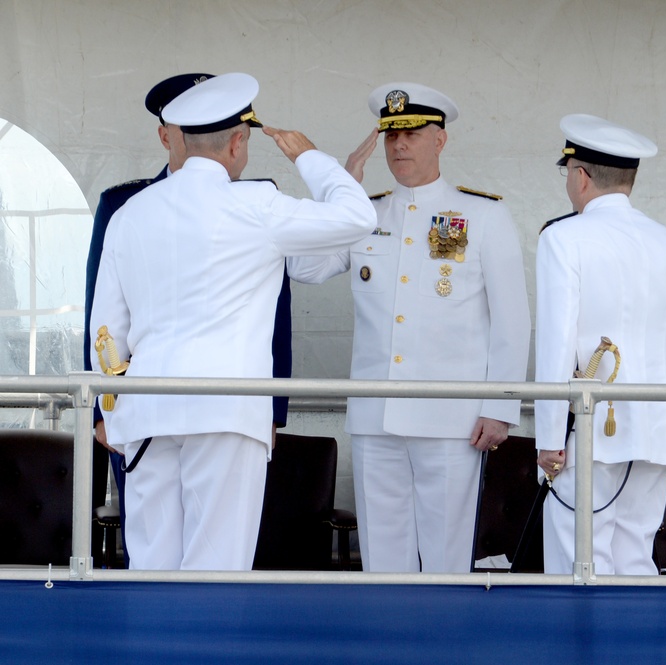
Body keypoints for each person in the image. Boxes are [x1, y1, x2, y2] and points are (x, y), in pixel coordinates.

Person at [90, 72, 377, 570]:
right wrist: (312, 158)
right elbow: (358, 218)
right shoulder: (257, 206)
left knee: (150, 566)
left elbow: (106, 333)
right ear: (238, 141)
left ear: (180, 136)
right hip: (225, 413)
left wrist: (115, 414)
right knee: (215, 568)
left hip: (146, 415)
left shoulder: (130, 214)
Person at [289, 82, 531, 573]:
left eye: (413, 134)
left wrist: (499, 406)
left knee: (446, 555)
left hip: (451, 419)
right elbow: (302, 267)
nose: (399, 146)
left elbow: (512, 319)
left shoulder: (482, 216)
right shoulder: (364, 214)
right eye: (390, 135)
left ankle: (443, 647)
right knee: (382, 558)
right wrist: (339, 192)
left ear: (440, 140)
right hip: (376, 417)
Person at [83, 73, 295, 567]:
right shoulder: (123, 203)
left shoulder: (252, 200)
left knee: (183, 556)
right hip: (155, 410)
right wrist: (105, 409)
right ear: (166, 135)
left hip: (200, 408)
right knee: (182, 555)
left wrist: (272, 407)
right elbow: (103, 325)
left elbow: (276, 313)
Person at [534, 114, 666, 575]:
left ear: (581, 176)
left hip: (591, 430)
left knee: (577, 562)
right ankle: (634, 649)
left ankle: (580, 649)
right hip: (658, 430)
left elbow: (556, 343)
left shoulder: (563, 238)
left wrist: (550, 438)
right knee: (635, 558)